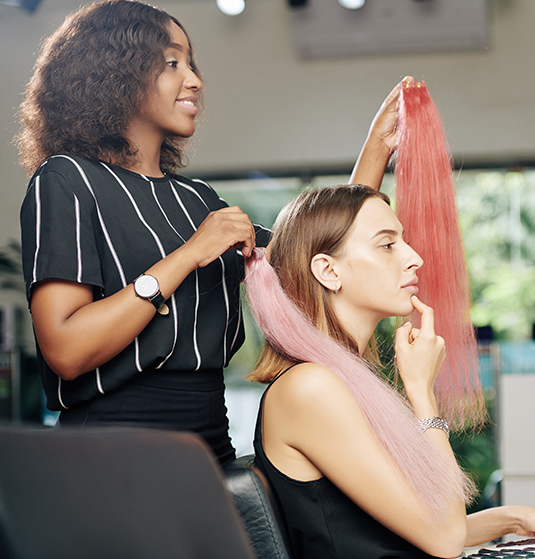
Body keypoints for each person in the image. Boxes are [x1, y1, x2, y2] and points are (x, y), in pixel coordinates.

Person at [17, 0, 400, 465]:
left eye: (191, 62)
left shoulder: (199, 201)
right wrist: (188, 255)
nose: (194, 79)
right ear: (116, 73)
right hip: (111, 460)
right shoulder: (66, 180)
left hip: (210, 452)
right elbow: (66, 349)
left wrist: (379, 144)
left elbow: (321, 249)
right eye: (171, 62)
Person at [244, 184, 535, 558]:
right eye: (387, 245)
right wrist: (421, 392)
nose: (415, 258)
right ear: (328, 271)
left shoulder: (343, 379)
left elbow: (410, 528)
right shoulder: (309, 388)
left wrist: (511, 518)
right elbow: (444, 539)